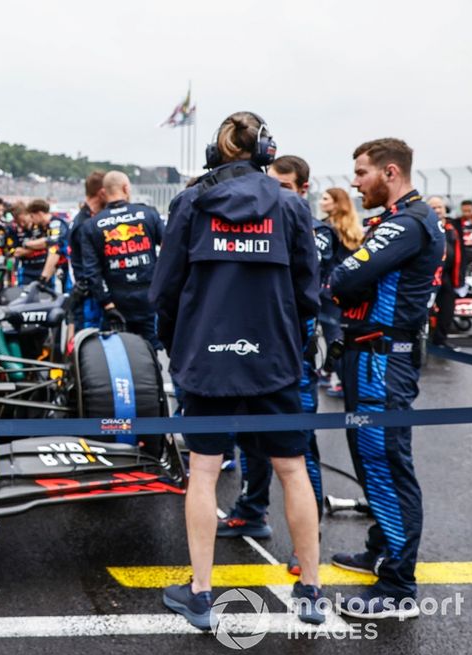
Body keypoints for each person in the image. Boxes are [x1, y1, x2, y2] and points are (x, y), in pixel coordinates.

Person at [151, 111, 323, 628]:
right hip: (273, 358)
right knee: (292, 469)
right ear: (266, 153)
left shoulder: (191, 202)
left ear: (214, 152)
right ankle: (311, 590)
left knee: (204, 471)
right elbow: (308, 291)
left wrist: (177, 345)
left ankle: (201, 594)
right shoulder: (291, 205)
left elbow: (164, 291)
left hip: (206, 359)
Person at [329, 138, 444, 619]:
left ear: (390, 172)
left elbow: (344, 279)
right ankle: (381, 550)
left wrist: (339, 278)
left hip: (383, 357)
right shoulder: (398, 221)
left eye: (361, 173)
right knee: (369, 457)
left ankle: (398, 587)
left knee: (385, 463)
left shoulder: (409, 222)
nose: (355, 183)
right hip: (369, 355)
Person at [216, 155, 324, 576]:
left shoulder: (313, 230)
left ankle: (306, 542)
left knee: (299, 452)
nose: (269, 193)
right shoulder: (269, 222)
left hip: (292, 354)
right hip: (255, 353)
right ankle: (252, 508)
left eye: (282, 185)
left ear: (302, 188)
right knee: (250, 440)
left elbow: (312, 292)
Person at [78, 170, 164, 349]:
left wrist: (107, 304)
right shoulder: (148, 214)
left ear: (104, 192)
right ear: (126, 188)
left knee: (120, 355)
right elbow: (170, 251)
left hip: (116, 302)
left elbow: (92, 271)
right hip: (149, 297)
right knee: (151, 353)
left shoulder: (91, 226)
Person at [317, 187, 364, 397]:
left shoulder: (328, 228)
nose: (321, 201)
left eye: (325, 198)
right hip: (345, 289)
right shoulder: (353, 228)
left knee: (333, 338)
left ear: (337, 203)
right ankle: (329, 373)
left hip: (328, 292)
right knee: (338, 337)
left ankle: (345, 383)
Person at [68, 171, 106, 339]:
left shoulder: (90, 219)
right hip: (89, 298)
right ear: (102, 193)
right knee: (88, 346)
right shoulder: (83, 224)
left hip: (95, 295)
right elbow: (90, 267)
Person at [428, 196, 464, 349]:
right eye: (433, 207)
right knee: (423, 308)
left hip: (447, 275)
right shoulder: (425, 225)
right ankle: (420, 339)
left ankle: (440, 340)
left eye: (439, 207)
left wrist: (460, 280)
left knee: (447, 309)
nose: (437, 210)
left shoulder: (453, 227)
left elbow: (460, 252)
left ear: (445, 209)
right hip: (428, 275)